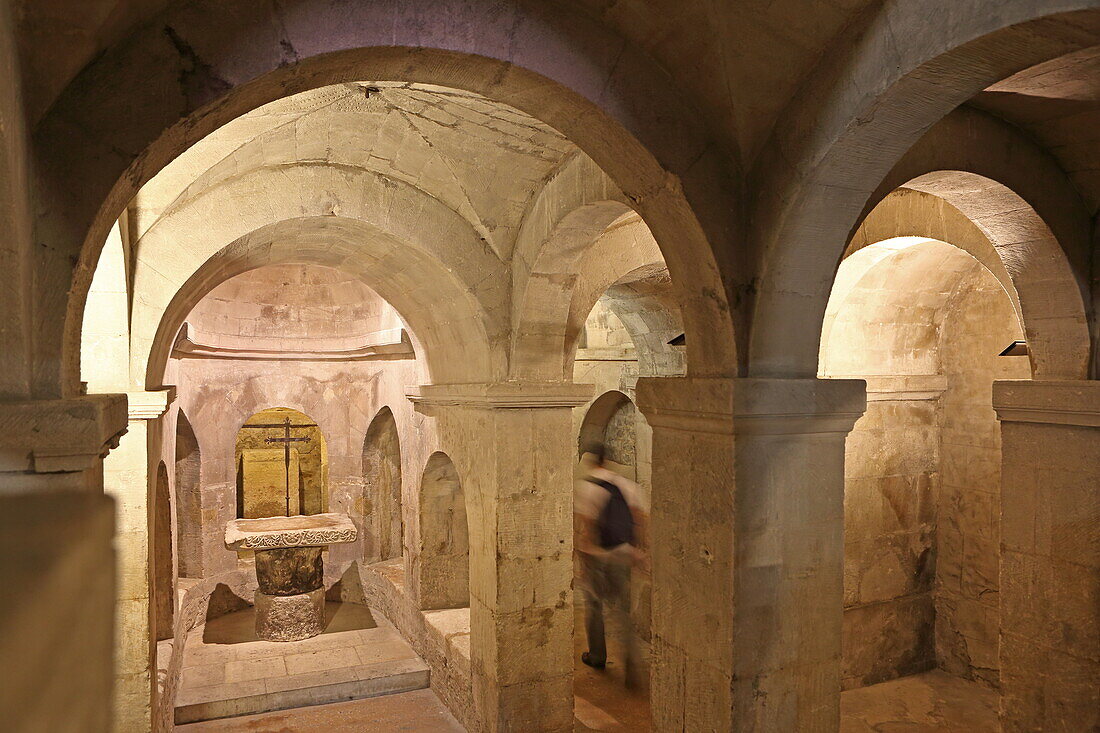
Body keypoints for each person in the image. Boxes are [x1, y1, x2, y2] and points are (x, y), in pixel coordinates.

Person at [574, 441, 646, 688]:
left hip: (599, 555)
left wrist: (583, 556)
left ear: (592, 461)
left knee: (594, 606)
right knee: (623, 611)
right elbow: (639, 518)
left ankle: (597, 656)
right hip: (624, 552)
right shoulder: (625, 484)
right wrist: (639, 551)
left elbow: (587, 525)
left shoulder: (587, 486)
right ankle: (631, 661)